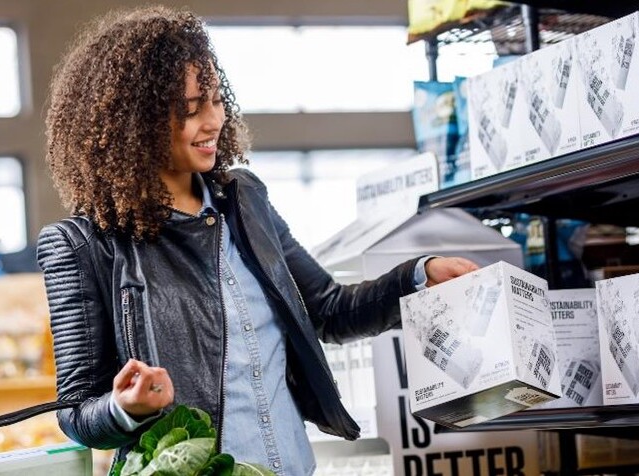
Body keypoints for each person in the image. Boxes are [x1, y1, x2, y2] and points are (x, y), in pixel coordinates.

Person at [37, 6, 478, 474]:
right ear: (136, 122)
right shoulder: (83, 245)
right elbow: (76, 410)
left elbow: (329, 310)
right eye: (190, 109)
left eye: (216, 100)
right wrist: (127, 408)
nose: (213, 122)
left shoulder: (244, 201)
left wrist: (417, 277)